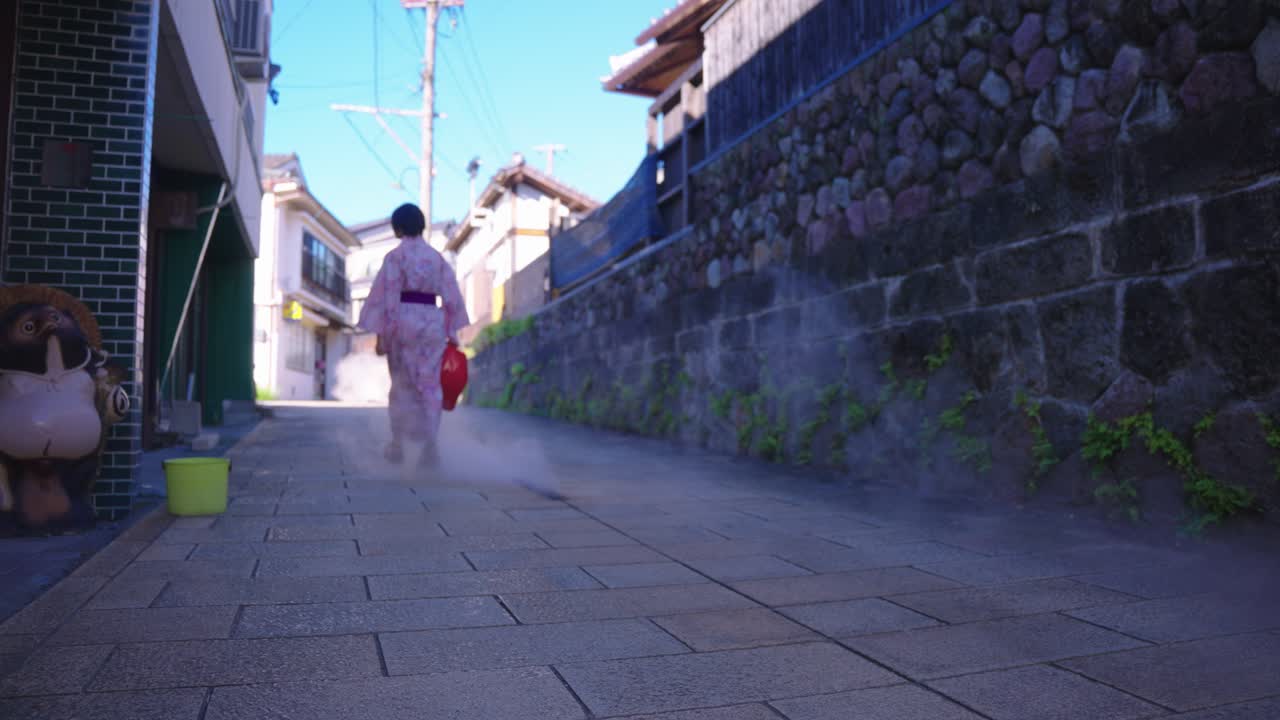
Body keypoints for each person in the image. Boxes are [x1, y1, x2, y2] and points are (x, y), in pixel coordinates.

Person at [358, 203, 469, 466]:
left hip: (403, 322)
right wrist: (451, 331)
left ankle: (397, 445)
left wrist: (383, 335)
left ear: (398, 228)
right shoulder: (436, 258)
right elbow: (451, 296)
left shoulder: (395, 258)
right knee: (430, 386)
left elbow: (388, 296)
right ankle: (430, 446)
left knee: (401, 386)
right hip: (432, 321)